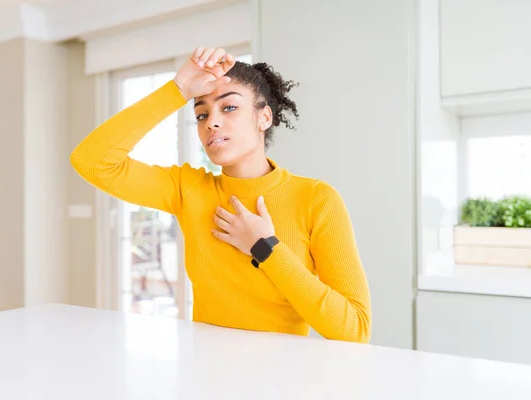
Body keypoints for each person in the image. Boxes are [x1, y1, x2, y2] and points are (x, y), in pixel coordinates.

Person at [71, 46, 372, 343]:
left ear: (263, 118)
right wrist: (177, 90)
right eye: (201, 114)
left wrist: (265, 247)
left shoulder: (316, 199)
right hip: (204, 375)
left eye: (229, 107)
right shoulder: (187, 189)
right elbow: (92, 161)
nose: (211, 122)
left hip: (282, 382)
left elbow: (354, 329)